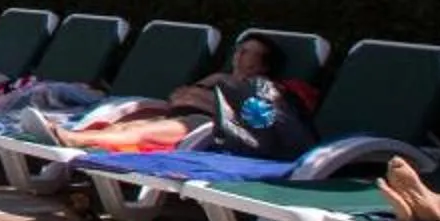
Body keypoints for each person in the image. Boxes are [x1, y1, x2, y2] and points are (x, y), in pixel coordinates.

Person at [24, 34, 307, 151]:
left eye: (247, 52)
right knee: (130, 125)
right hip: (183, 116)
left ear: (263, 64)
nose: (238, 54)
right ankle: (70, 135)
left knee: (141, 133)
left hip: (208, 128)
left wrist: (206, 98)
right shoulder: (221, 79)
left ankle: (73, 139)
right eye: (238, 49)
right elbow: (180, 95)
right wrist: (209, 89)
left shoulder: (266, 87)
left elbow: (254, 121)